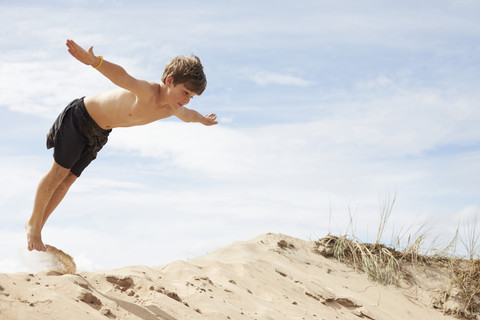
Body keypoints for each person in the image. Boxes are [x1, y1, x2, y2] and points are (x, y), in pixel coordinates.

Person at [25, 39, 218, 252]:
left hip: (98, 133)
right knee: (58, 173)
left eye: (191, 96)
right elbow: (122, 77)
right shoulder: (148, 91)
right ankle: (34, 224)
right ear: (170, 80)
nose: (187, 100)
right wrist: (94, 62)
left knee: (68, 180)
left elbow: (189, 115)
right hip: (80, 117)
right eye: (185, 92)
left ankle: (37, 227)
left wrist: (203, 119)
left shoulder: (172, 108)